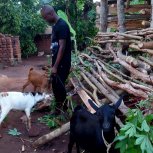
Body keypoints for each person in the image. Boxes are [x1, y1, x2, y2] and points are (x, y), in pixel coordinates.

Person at [41, 5, 71, 115]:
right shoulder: (55, 26)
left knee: (59, 86)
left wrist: (55, 66)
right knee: (55, 86)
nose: (45, 20)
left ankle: (63, 110)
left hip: (62, 63)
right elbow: (56, 46)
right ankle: (59, 109)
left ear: (50, 14)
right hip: (57, 63)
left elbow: (62, 47)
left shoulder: (62, 25)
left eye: (45, 17)